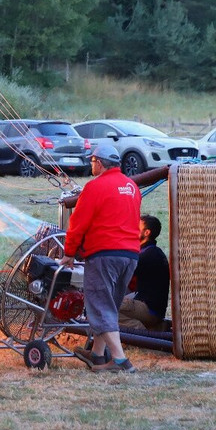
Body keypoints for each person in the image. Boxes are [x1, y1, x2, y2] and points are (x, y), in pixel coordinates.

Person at [60, 145, 142, 373]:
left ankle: (120, 361)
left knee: (99, 305)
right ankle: (96, 355)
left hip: (104, 254)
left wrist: (69, 252)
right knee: (110, 306)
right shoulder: (131, 186)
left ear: (100, 162)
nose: (91, 164)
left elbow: (78, 223)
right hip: (130, 255)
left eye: (93, 160)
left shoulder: (95, 186)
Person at [118, 215, 170, 331]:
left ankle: (142, 332)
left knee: (106, 306)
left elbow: (120, 271)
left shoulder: (147, 255)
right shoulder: (154, 252)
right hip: (154, 308)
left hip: (148, 309)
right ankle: (155, 327)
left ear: (146, 232)